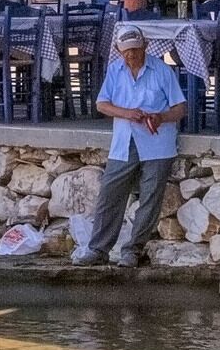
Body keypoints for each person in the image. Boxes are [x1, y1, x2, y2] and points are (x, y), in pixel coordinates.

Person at [77, 22, 188, 269]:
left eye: (135, 49)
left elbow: (180, 108)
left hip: (157, 142)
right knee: (110, 194)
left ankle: (133, 250)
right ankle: (98, 249)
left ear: (145, 47)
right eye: (126, 50)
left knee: (150, 198)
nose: (131, 55)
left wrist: (161, 116)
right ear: (119, 50)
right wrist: (127, 113)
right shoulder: (115, 70)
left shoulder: (161, 70)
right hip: (125, 140)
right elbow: (102, 104)